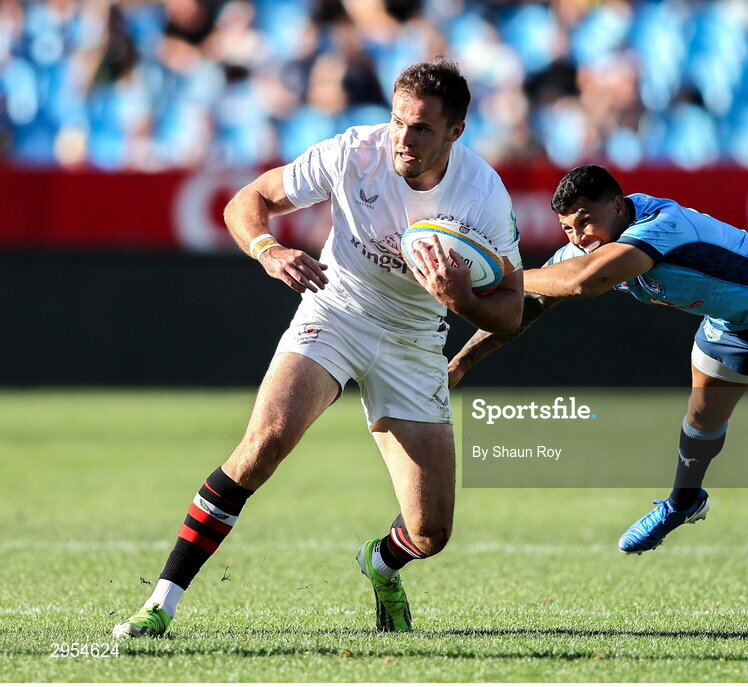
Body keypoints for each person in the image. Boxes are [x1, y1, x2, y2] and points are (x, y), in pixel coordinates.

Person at [112, 57, 524, 637]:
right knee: (263, 444)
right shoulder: (354, 151)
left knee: (430, 533)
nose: (403, 139)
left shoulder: (483, 192)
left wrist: (462, 300)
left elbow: (509, 309)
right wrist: (266, 249)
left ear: (455, 132)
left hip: (414, 340)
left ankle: (380, 564)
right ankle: (161, 601)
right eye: (398, 121)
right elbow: (244, 201)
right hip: (338, 310)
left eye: (423, 128)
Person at [449, 165, 748, 630]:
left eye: (586, 221)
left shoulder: (662, 225)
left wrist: (503, 279)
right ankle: (683, 503)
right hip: (733, 328)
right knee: (701, 421)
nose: (580, 237)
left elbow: (585, 281)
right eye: (568, 228)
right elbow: (526, 308)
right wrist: (461, 363)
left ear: (617, 204)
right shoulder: (587, 248)